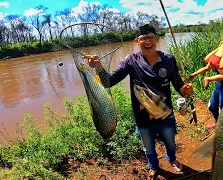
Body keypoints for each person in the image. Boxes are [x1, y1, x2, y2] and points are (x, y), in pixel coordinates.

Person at [83, 24, 194, 179]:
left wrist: (184, 90)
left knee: (170, 142)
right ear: (137, 41)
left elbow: (178, 83)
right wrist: (98, 67)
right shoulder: (130, 61)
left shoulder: (169, 60)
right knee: (148, 147)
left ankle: (172, 158)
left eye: (151, 37)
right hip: (142, 115)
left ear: (157, 39)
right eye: (143, 38)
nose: (147, 41)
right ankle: (154, 167)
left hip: (165, 112)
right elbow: (109, 81)